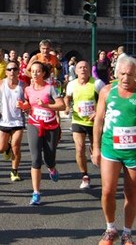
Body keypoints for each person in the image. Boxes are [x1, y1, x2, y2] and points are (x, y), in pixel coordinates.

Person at [93, 55, 136, 245]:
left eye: (131, 74)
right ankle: (110, 229)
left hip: (133, 151)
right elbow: (99, 120)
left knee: (131, 193)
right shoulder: (107, 91)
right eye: (123, 74)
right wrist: (95, 147)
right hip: (111, 148)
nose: (126, 78)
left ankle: (127, 233)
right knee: (108, 192)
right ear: (116, 73)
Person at [24, 61, 65, 206]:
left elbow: (62, 105)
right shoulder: (28, 89)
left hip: (51, 125)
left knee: (49, 157)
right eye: (33, 71)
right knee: (35, 159)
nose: (34, 74)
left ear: (43, 73)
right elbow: (29, 105)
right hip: (34, 124)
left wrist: (46, 105)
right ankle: (36, 193)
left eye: (37, 71)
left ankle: (52, 168)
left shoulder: (50, 89)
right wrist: (24, 106)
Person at [64, 60, 105, 190]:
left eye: (85, 67)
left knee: (96, 150)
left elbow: (106, 99)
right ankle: (85, 176)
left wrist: (98, 113)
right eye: (80, 68)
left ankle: (104, 172)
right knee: (79, 148)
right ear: (76, 71)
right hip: (78, 120)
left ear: (89, 70)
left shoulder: (97, 83)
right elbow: (67, 97)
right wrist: (66, 107)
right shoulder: (71, 85)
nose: (83, 69)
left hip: (94, 122)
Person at [0, 61, 28, 182]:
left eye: (15, 69)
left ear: (18, 71)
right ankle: (7, 149)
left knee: (16, 147)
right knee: (0, 148)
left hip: (17, 121)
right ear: (6, 72)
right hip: (3, 120)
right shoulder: (0, 83)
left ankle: (14, 171)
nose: (12, 71)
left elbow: (29, 101)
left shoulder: (23, 85)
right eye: (10, 69)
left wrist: (24, 106)